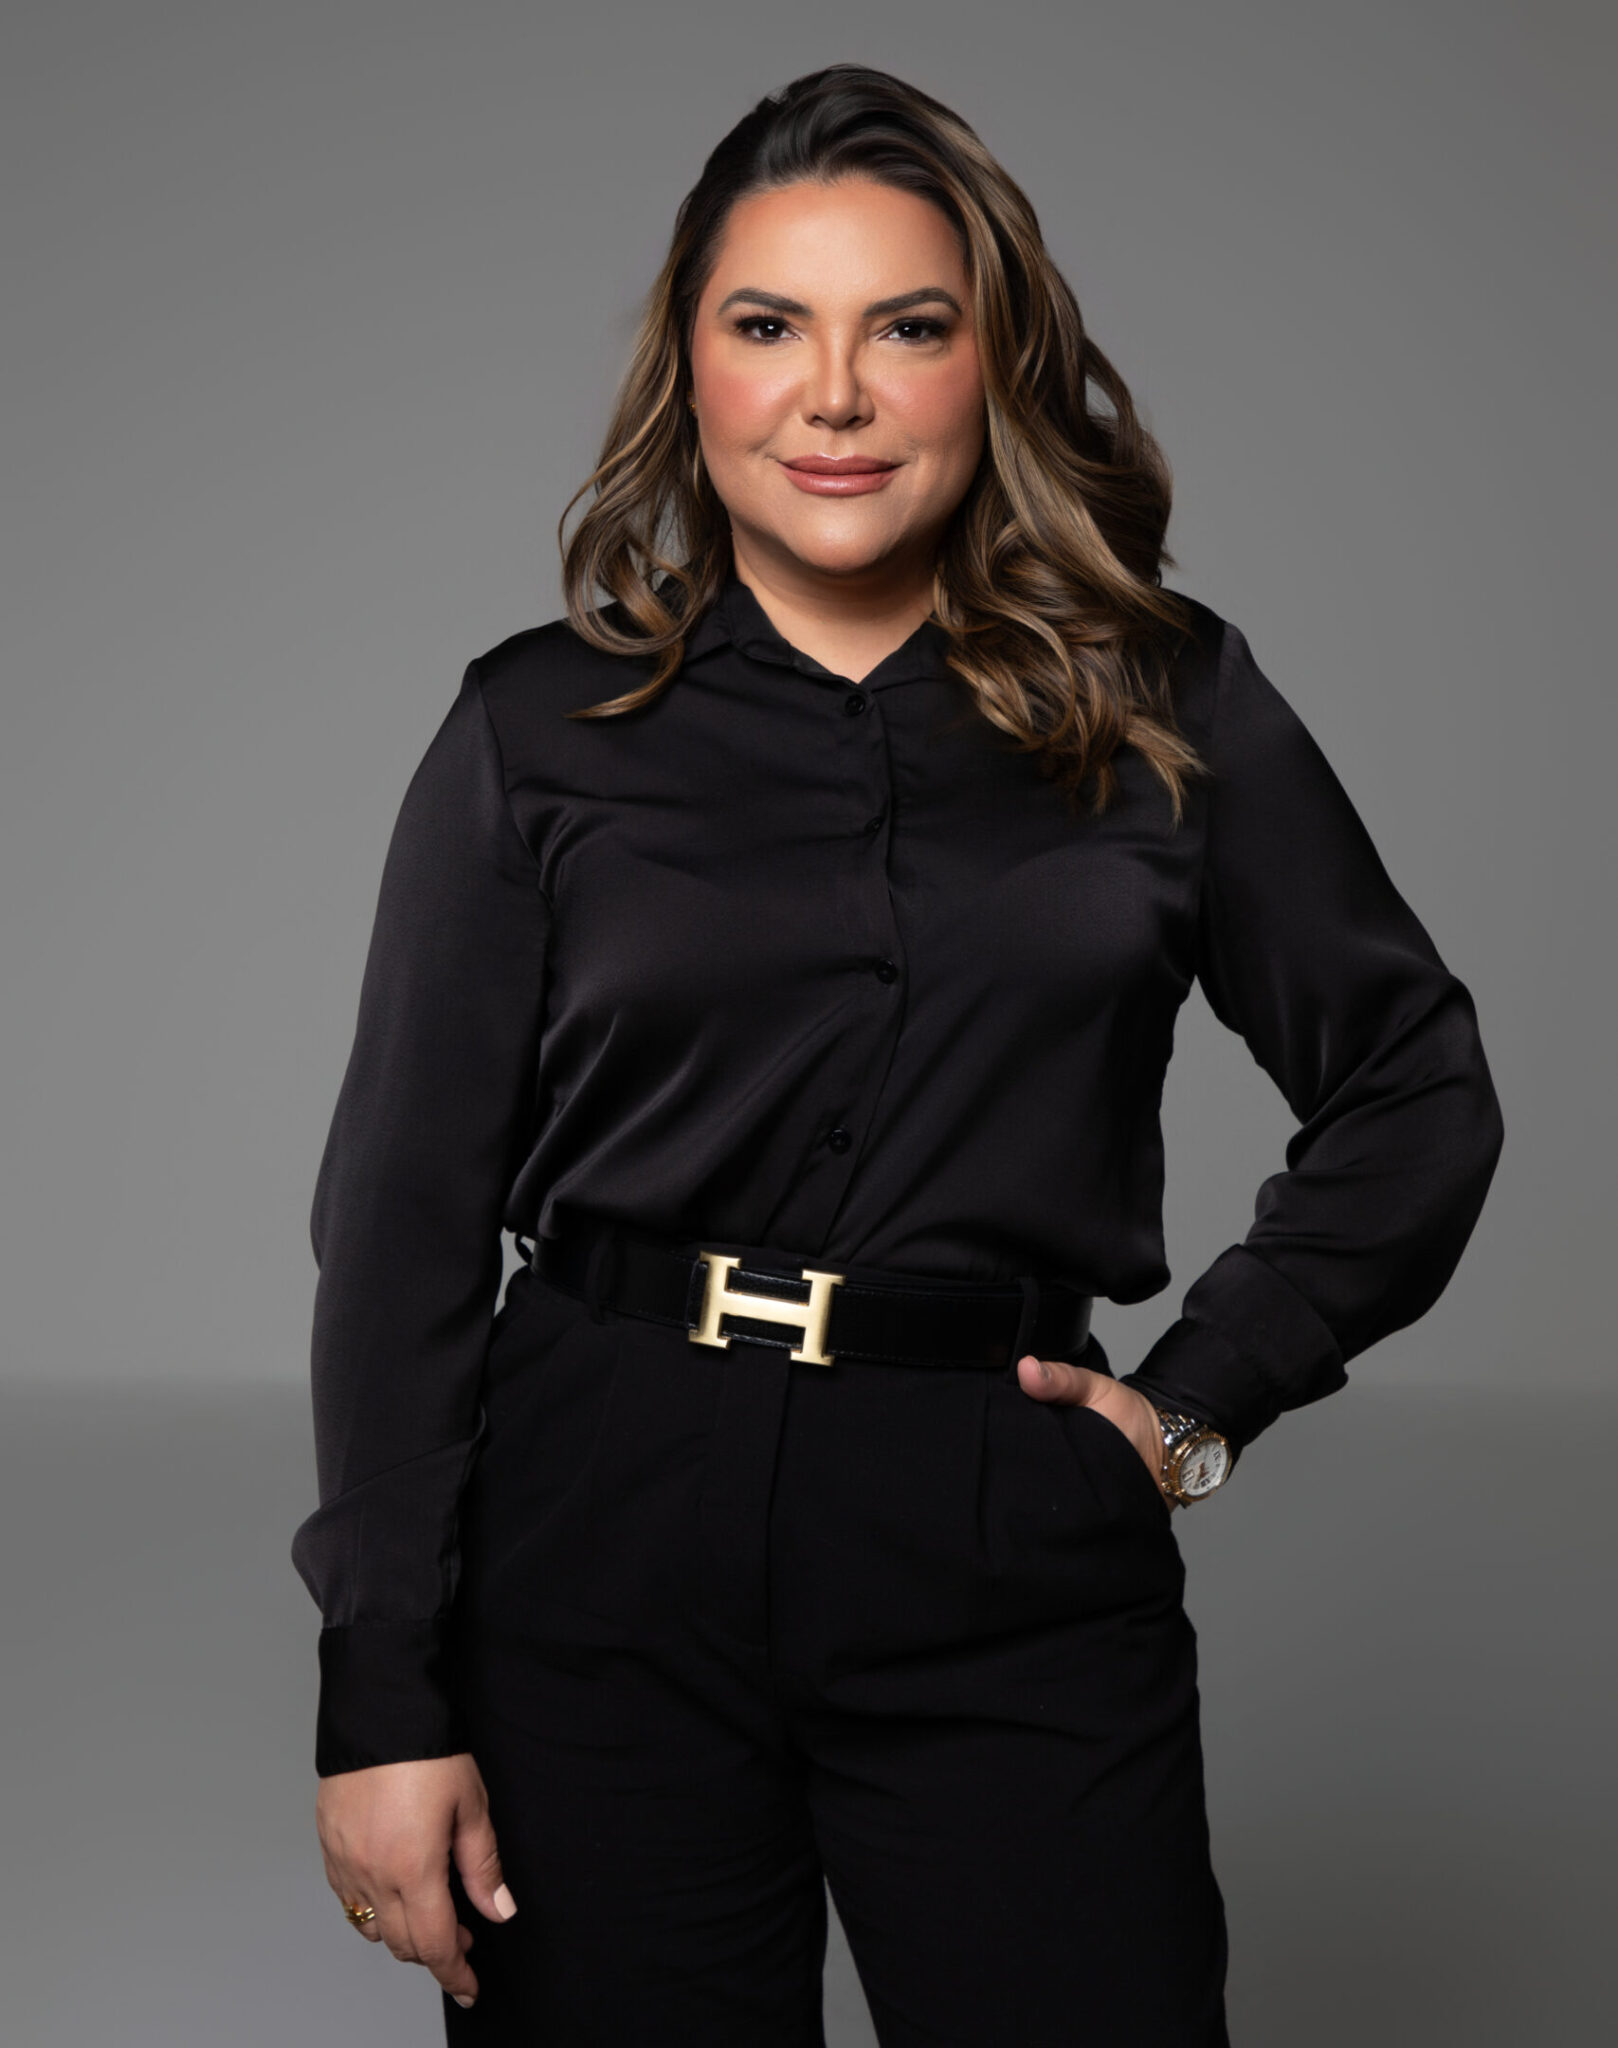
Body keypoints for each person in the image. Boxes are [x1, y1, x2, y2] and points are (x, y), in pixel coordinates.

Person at [290, 61, 1504, 2048]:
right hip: (593, 1528)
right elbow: (403, 1228)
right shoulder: (534, 731)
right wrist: (381, 1693)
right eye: (769, 326)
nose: (833, 396)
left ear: (991, 364)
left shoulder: (1167, 702)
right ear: (690, 370)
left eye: (906, 328)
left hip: (1000, 1525)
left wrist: (1195, 1402)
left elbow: (1413, 1089)